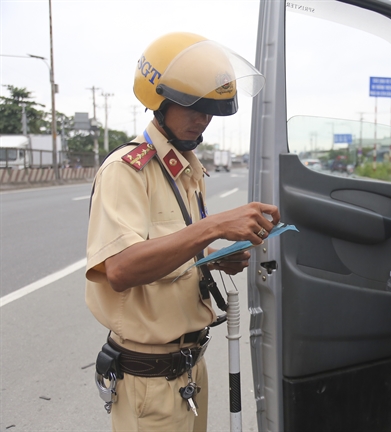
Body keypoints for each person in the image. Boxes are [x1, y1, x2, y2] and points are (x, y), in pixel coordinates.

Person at [85, 32, 279, 432]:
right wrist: (213, 226)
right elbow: (121, 269)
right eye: (194, 106)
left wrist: (211, 258)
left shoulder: (187, 169)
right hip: (149, 381)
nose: (203, 119)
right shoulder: (127, 170)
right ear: (160, 100)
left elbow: (172, 252)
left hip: (190, 369)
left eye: (212, 110)